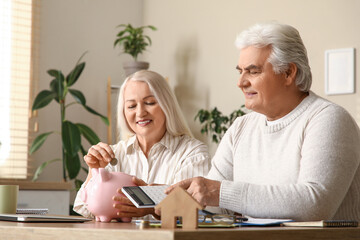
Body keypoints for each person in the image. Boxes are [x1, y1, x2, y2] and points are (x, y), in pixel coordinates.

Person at [166, 23, 360, 221]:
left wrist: (218, 192)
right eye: (240, 71)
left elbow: (315, 204)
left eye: (253, 71)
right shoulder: (241, 127)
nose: (240, 82)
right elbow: (213, 201)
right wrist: (165, 198)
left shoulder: (328, 119)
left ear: (288, 73)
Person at [73, 70, 211, 219]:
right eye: (131, 106)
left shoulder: (193, 153)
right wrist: (94, 171)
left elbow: (200, 213)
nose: (140, 113)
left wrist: (153, 205)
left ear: (167, 105)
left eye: (150, 103)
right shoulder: (114, 155)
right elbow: (84, 210)